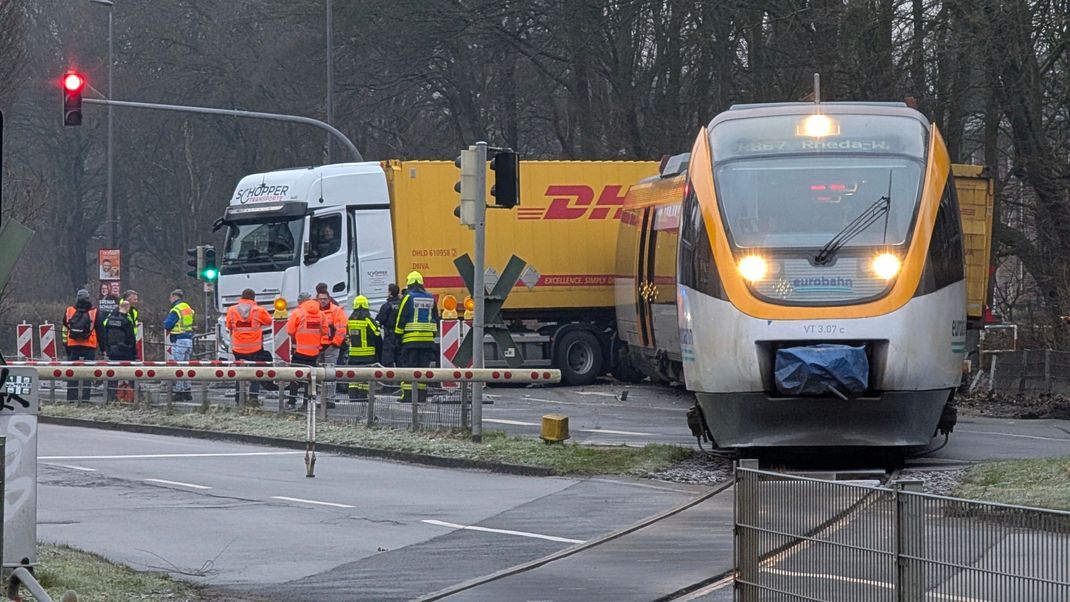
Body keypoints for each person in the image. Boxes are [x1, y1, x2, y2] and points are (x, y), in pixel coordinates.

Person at [394, 271, 438, 402]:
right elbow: (435, 317)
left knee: (409, 368)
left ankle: (408, 396)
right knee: (423, 368)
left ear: (409, 284)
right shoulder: (430, 297)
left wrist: (397, 336)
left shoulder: (408, 297)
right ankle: (421, 395)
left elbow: (401, 317)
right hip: (427, 341)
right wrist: (432, 335)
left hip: (411, 341)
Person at [226, 288, 274, 404]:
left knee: (239, 373)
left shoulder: (232, 310)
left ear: (241, 297)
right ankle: (253, 399)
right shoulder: (258, 310)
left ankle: (239, 399)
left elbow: (228, 325)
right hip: (254, 348)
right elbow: (269, 321)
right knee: (255, 374)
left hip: (238, 348)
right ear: (253, 298)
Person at [285, 292, 329, 409]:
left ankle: (292, 402)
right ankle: (307, 403)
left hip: (299, 352)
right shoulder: (321, 314)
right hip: (314, 353)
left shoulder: (298, 313)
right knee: (311, 379)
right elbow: (325, 331)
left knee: (295, 376)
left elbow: (289, 331)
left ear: (300, 302)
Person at [62, 288, 103, 402]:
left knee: (71, 372)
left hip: (73, 344)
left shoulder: (69, 310)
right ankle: (85, 398)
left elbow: (65, 324)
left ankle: (71, 398)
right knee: (88, 373)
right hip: (89, 345)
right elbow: (100, 331)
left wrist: (66, 345)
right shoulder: (94, 312)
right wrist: (104, 348)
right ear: (88, 298)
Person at [100, 299, 137, 401]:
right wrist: (134, 353)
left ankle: (111, 396)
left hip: (112, 352)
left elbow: (105, 336)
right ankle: (130, 397)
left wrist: (107, 349)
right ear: (127, 308)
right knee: (130, 375)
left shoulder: (110, 320)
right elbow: (131, 339)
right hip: (126, 352)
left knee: (113, 375)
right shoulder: (127, 321)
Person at [346, 295, 381, 401]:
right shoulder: (367, 319)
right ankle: (362, 395)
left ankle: (353, 395)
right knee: (365, 375)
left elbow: (347, 334)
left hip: (353, 353)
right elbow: (377, 332)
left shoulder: (350, 319)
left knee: (354, 376)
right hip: (367, 353)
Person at [163, 289, 195, 400]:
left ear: (173, 296)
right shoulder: (188, 308)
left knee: (179, 367)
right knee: (186, 366)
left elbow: (167, 324)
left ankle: (179, 392)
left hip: (179, 340)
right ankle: (187, 391)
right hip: (189, 340)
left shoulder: (176, 309)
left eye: (170, 298)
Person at [314, 283, 347, 367]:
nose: (322, 301)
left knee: (330, 372)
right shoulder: (314, 311)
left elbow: (341, 329)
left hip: (331, 346)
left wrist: (335, 343)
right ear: (317, 299)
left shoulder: (336, 310)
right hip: (317, 347)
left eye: (324, 299)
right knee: (319, 373)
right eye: (320, 299)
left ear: (329, 299)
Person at [376, 283, 402, 367]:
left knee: (387, 360)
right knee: (400, 359)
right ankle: (401, 378)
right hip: (401, 335)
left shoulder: (386, 306)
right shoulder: (402, 304)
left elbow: (380, 319)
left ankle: (389, 380)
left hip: (390, 335)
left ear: (390, 293)